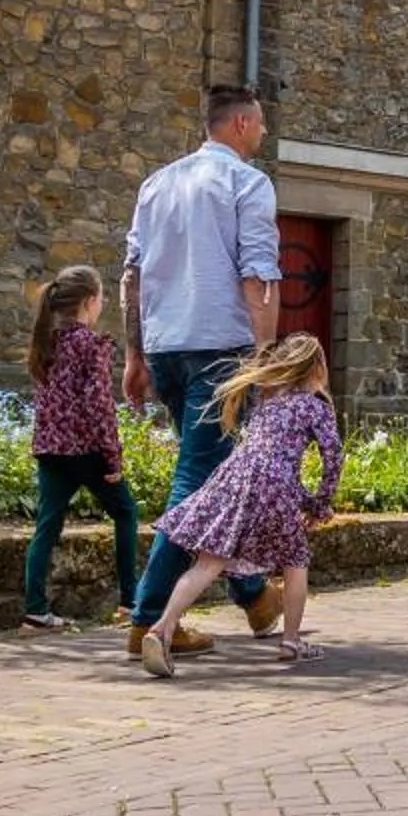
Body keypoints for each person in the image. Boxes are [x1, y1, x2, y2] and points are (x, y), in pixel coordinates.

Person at [121, 86, 284, 662]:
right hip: (222, 348)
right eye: (259, 125)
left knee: (224, 476)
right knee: (197, 483)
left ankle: (254, 593)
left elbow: (132, 276)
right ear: (240, 124)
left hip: (166, 347)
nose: (262, 135)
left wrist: (135, 356)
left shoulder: (157, 183)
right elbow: (258, 275)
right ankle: (148, 621)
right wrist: (266, 356)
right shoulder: (247, 183)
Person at [139, 333, 341, 676]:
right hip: (275, 486)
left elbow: (262, 462)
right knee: (295, 560)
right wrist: (320, 503)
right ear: (318, 368)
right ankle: (291, 641)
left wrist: (307, 500)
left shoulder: (267, 403)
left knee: (207, 562)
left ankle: (161, 629)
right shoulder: (314, 406)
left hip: (234, 481)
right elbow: (333, 454)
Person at [23, 265, 139, 632]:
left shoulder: (46, 341)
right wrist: (112, 455)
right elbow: (99, 405)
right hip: (85, 449)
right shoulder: (91, 344)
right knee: (125, 511)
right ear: (90, 302)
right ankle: (129, 603)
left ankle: (35, 610)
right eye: (102, 296)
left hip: (50, 448)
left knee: (47, 524)